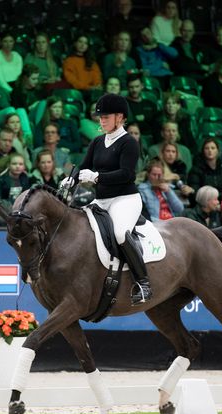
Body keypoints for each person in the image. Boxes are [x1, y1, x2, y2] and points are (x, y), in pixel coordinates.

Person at [61, 93, 151, 305]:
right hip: (101, 200)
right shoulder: (98, 141)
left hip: (125, 199)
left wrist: (98, 177)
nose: (101, 120)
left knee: (120, 233)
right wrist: (70, 179)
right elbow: (84, 166)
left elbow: (127, 174)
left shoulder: (129, 142)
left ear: (120, 117)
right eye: (100, 117)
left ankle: (144, 283)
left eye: (105, 117)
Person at [187, 138, 222, 203]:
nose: (210, 150)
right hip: (204, 204)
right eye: (207, 148)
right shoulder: (195, 170)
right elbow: (196, 192)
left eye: (213, 148)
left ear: (217, 151)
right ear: (203, 151)